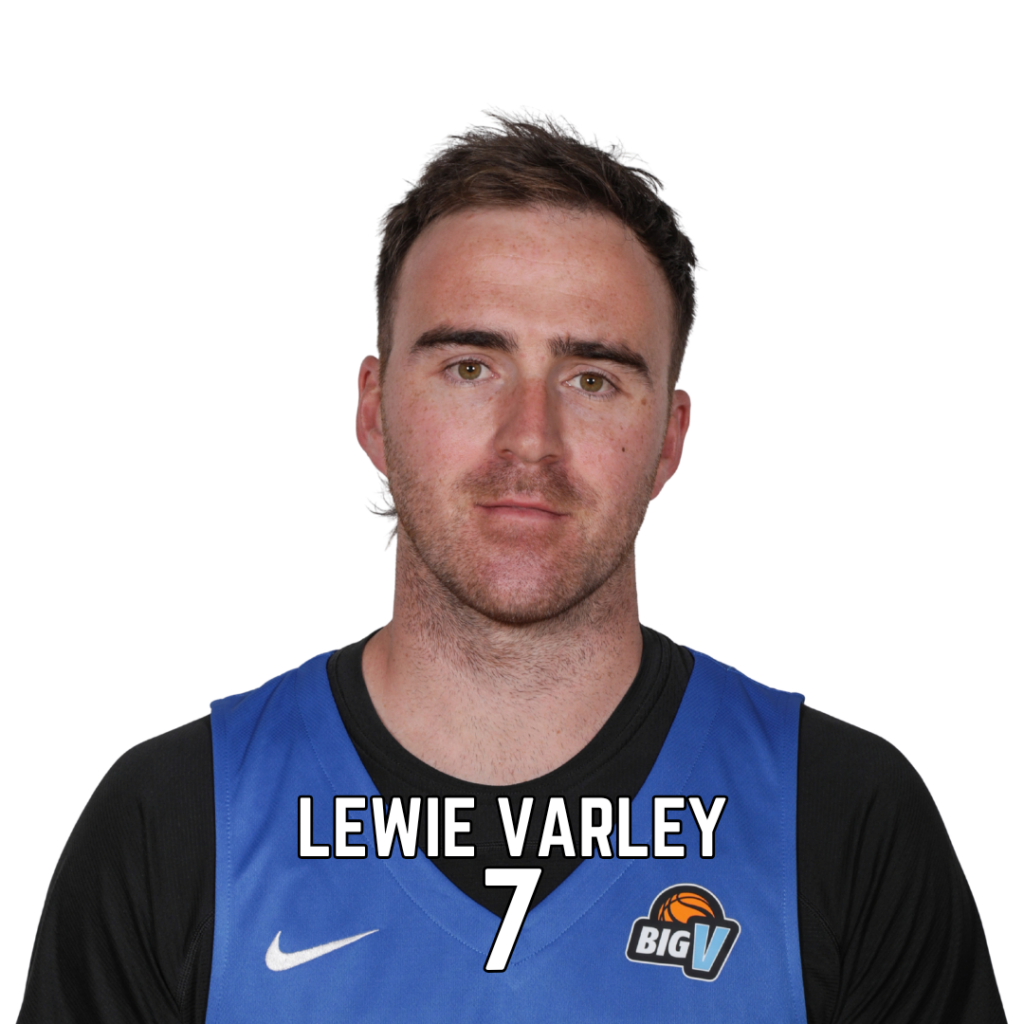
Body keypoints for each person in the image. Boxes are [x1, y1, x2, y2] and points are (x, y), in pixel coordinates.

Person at [18, 106, 1004, 1023]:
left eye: (592, 378)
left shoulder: (840, 816)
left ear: (669, 439)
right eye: (469, 367)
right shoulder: (175, 820)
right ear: (373, 411)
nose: (529, 440)